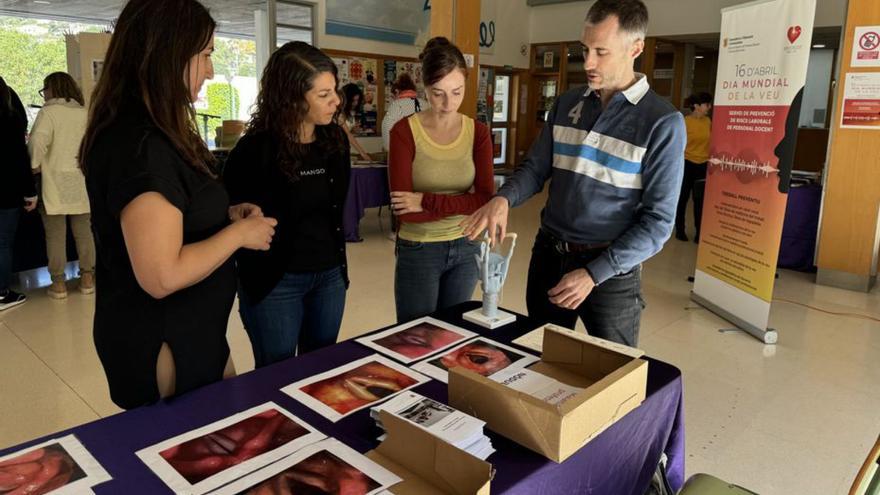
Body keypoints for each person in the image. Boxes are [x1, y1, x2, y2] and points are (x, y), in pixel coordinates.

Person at [81, 0, 277, 409]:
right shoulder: (140, 145)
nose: (209, 69)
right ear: (167, 53)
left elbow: (173, 214)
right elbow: (162, 275)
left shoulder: (157, 129)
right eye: (204, 55)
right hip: (162, 334)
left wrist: (222, 218)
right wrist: (239, 234)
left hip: (196, 327)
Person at [462, 0, 686, 347]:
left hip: (611, 270)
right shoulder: (567, 104)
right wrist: (504, 198)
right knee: (541, 359)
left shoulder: (661, 122)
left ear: (636, 48)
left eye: (601, 51)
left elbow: (658, 223)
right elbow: (536, 168)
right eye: (585, 50)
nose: (589, 63)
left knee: (611, 376)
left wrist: (595, 273)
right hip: (551, 256)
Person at [223, 41, 350, 368]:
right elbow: (229, 214)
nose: (336, 101)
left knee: (320, 371)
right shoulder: (254, 151)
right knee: (275, 375)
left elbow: (334, 210)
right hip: (276, 282)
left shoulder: (334, 143)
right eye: (323, 95)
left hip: (329, 277)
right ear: (292, 98)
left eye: (333, 90)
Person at [389, 37, 494, 323]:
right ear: (424, 88)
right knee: (415, 337)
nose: (449, 104)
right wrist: (464, 203)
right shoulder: (404, 132)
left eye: (457, 92)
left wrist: (426, 200)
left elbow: (486, 199)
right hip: (419, 248)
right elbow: (407, 213)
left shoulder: (479, 133)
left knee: (455, 333)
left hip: (467, 245)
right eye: (438, 94)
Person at [29, 72, 96, 298]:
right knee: (84, 232)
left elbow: (38, 140)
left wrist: (34, 164)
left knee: (55, 235)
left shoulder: (48, 112)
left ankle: (58, 284)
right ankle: (88, 278)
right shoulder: (84, 113)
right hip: (79, 179)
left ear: (51, 89)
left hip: (54, 180)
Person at [0, 77, 37, 311]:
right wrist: (30, 191)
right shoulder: (10, 109)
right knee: (3, 242)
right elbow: (20, 156)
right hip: (7, 187)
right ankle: (2, 293)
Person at [675, 92, 712, 243]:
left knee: (699, 201)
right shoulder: (685, 122)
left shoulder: (708, 121)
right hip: (686, 164)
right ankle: (680, 230)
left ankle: (699, 233)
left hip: (702, 165)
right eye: (707, 104)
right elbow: (678, 145)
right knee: (682, 199)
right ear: (697, 106)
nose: (709, 107)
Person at [381, 73, 428, 151]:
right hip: (425, 152)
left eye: (393, 96)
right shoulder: (425, 104)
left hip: (404, 151)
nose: (394, 99)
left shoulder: (397, 105)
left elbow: (387, 126)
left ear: (396, 91)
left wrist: (389, 150)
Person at [340, 82, 372, 162]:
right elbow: (347, 135)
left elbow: (347, 131)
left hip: (344, 148)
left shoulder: (350, 111)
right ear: (346, 99)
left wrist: (354, 129)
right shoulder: (338, 112)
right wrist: (363, 154)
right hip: (336, 150)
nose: (356, 103)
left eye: (357, 100)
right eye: (353, 101)